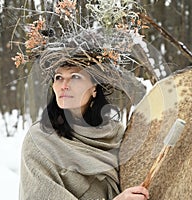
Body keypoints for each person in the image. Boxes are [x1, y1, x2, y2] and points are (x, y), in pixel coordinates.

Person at [19, 58, 150, 199]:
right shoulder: (40, 139)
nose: (64, 85)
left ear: (94, 87)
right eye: (58, 77)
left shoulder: (115, 135)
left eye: (75, 77)